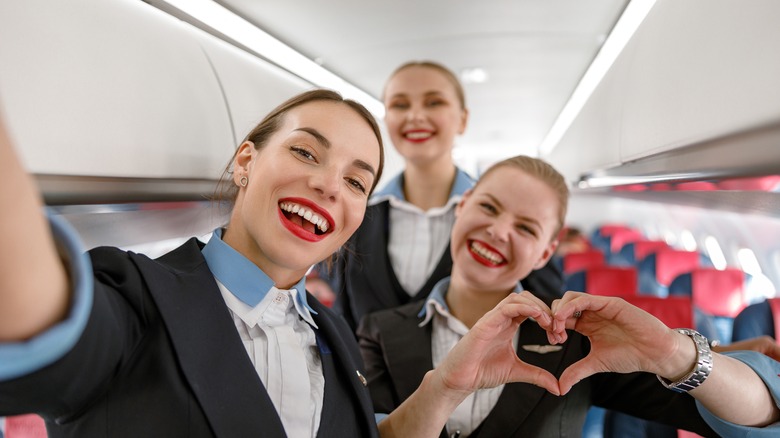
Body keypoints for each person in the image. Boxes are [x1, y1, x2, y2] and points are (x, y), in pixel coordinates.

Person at [0, 90, 556, 438]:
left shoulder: (334, 336)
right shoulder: (136, 295)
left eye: (356, 181)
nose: (327, 184)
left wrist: (445, 388)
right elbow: (35, 313)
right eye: (306, 152)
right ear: (246, 161)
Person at [358, 155, 780, 437]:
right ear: (461, 206)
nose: (499, 231)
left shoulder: (574, 340)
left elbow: (757, 419)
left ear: (546, 251)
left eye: (525, 228)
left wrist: (673, 352)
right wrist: (444, 389)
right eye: (487, 207)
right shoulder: (379, 329)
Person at [313, 60, 563, 331]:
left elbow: (545, 317)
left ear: (463, 120)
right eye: (400, 104)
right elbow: (345, 319)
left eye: (434, 103)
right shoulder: (357, 214)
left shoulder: (507, 224)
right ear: (387, 119)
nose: (416, 116)